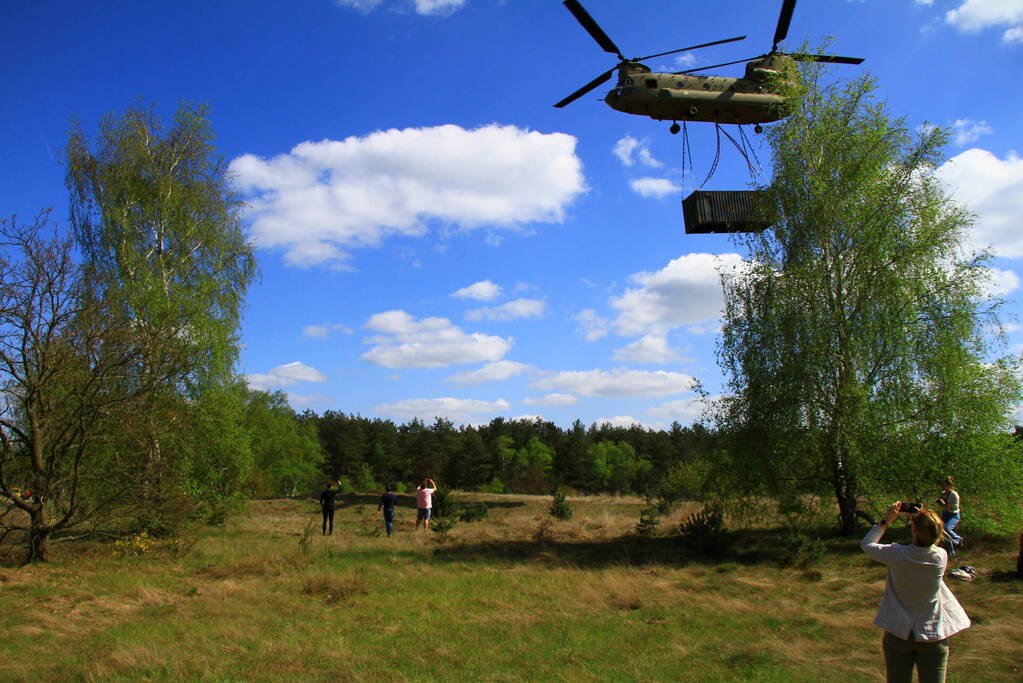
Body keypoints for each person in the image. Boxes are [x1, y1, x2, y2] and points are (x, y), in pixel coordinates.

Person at [861, 502, 970, 683]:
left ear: (913, 530)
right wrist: (924, 518)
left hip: (898, 633)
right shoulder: (940, 557)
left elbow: (867, 544)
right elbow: (933, 538)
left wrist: (885, 521)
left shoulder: (897, 554)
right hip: (933, 633)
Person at [936, 476, 962, 553]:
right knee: (942, 531)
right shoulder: (943, 494)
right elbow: (940, 502)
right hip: (944, 513)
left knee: (947, 528)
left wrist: (945, 504)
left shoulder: (954, 495)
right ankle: (950, 551)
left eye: (944, 486)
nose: (943, 487)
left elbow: (954, 507)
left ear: (949, 486)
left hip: (953, 515)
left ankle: (957, 539)